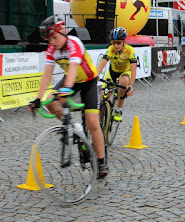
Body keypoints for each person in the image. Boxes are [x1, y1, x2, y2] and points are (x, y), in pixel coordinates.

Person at [28, 15, 108, 179]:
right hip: (71, 81)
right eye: (49, 40)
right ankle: (74, 127)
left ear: (63, 32)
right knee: (50, 101)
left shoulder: (74, 43)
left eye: (55, 38)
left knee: (93, 122)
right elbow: (46, 76)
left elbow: (72, 68)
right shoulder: (52, 50)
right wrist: (37, 98)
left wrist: (66, 90)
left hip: (87, 81)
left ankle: (101, 162)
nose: (52, 43)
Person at [96, 27, 137, 122]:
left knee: (123, 82)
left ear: (124, 42)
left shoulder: (129, 50)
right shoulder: (111, 49)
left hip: (125, 72)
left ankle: (119, 109)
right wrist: (97, 73)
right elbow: (103, 62)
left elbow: (133, 69)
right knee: (102, 97)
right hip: (112, 72)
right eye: (113, 42)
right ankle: (100, 124)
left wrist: (131, 84)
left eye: (118, 42)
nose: (116, 45)